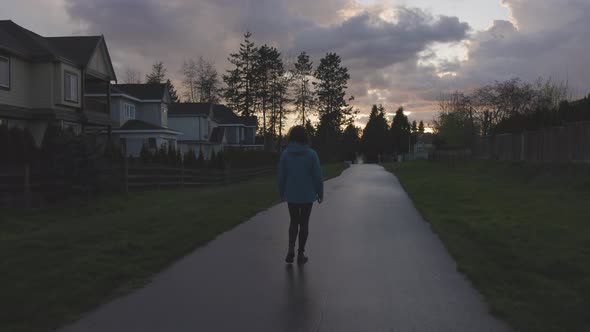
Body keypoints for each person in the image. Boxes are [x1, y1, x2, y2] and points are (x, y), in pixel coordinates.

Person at [278, 125, 323, 265]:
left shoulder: (286, 154)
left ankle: (290, 249)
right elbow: (317, 176)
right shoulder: (311, 154)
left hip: (291, 194)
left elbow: (281, 175)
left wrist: (282, 192)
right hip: (307, 195)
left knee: (293, 221)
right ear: (305, 137)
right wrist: (320, 192)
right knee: (304, 223)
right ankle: (300, 254)